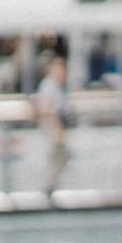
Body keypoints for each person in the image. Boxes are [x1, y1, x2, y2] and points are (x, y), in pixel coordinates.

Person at [33, 53, 72, 195]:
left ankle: (51, 188)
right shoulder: (49, 85)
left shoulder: (58, 86)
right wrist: (56, 127)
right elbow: (46, 108)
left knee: (61, 157)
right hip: (53, 127)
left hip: (57, 126)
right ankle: (48, 189)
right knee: (57, 157)